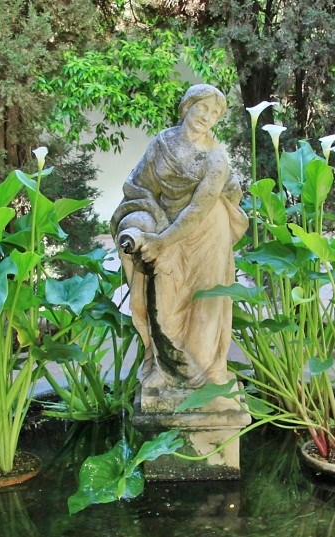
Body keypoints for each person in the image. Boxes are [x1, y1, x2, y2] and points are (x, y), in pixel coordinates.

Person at [111, 84, 247, 390]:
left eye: (215, 114)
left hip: (208, 233)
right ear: (188, 106)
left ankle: (210, 372)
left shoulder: (216, 159)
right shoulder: (162, 143)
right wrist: (145, 221)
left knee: (206, 306)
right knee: (161, 301)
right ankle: (162, 365)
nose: (207, 117)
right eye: (203, 108)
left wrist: (161, 240)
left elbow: (198, 210)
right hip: (164, 225)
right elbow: (138, 186)